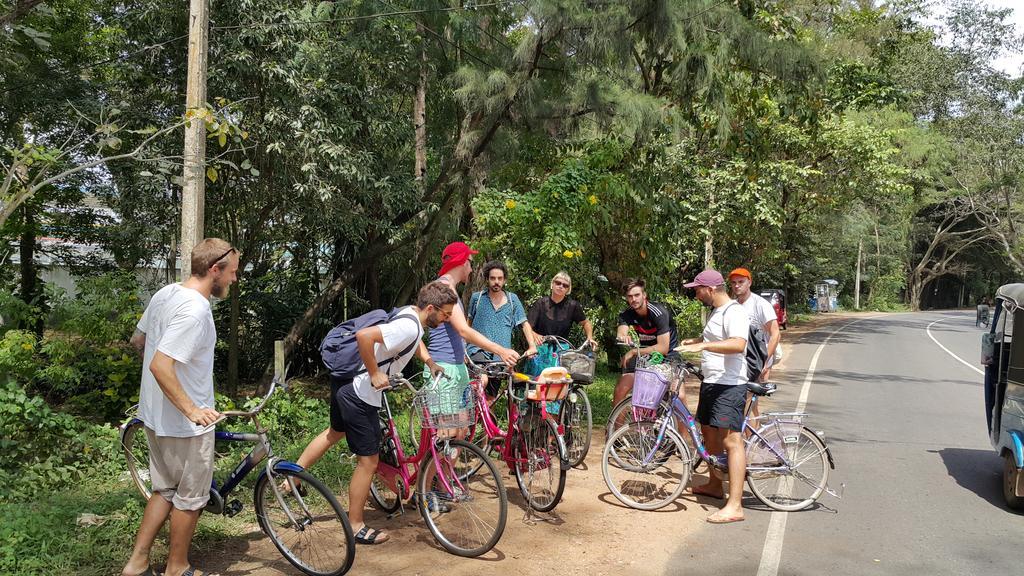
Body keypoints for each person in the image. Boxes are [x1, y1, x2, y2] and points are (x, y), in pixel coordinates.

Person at [291, 282, 458, 546]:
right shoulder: (408, 325)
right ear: (430, 308)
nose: (448, 319)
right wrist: (374, 373)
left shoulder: (411, 317)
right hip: (359, 391)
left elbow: (411, 343)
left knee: (335, 432)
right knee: (368, 461)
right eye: (446, 314)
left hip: (345, 382)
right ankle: (356, 525)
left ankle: (292, 476)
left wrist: (429, 362)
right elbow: (365, 336)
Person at [121, 238, 239, 576]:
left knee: (165, 490)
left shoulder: (166, 293)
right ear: (215, 269)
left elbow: (139, 341)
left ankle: (137, 563)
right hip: (185, 427)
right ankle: (177, 567)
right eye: (232, 273)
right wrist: (191, 410)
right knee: (190, 498)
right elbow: (160, 365)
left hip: (155, 418)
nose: (234, 279)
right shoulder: (196, 309)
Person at [677, 269, 750, 524]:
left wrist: (704, 346)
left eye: (697, 289)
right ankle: (714, 485)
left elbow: (738, 344)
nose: (696, 294)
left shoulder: (734, 311)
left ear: (710, 289)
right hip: (712, 381)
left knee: (732, 441)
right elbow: (717, 338)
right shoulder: (716, 313)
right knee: (707, 432)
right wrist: (696, 340)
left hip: (730, 385)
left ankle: (735, 505)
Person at [421, 242, 520, 411]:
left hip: (455, 366)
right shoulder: (445, 289)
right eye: (470, 263)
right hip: (445, 365)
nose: (471, 269)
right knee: (447, 433)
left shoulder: (448, 288)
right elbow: (463, 330)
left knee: (460, 430)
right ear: (463, 261)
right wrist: (501, 350)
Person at [466, 260, 538, 400]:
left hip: (501, 357)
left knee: (490, 398)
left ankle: (480, 418)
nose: (496, 282)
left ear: (504, 280)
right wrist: (462, 348)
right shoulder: (477, 298)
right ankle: (467, 410)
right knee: (482, 379)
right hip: (476, 350)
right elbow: (467, 325)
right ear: (487, 279)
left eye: (499, 278)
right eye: (492, 278)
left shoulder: (513, 300)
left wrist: (532, 346)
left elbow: (524, 323)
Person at [613, 278, 678, 409]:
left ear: (644, 295)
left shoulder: (658, 312)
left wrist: (632, 352)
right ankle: (615, 429)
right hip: (645, 358)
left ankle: (683, 430)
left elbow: (663, 348)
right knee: (620, 390)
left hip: (668, 357)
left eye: (637, 295)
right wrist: (623, 337)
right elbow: (621, 333)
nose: (634, 299)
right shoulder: (627, 314)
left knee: (677, 397)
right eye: (630, 296)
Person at [728, 268, 780, 382]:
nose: (737, 285)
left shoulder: (761, 305)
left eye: (741, 282)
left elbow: (775, 334)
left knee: (751, 395)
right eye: (733, 282)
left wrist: (764, 362)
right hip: (739, 358)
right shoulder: (732, 305)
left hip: (758, 357)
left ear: (749, 283)